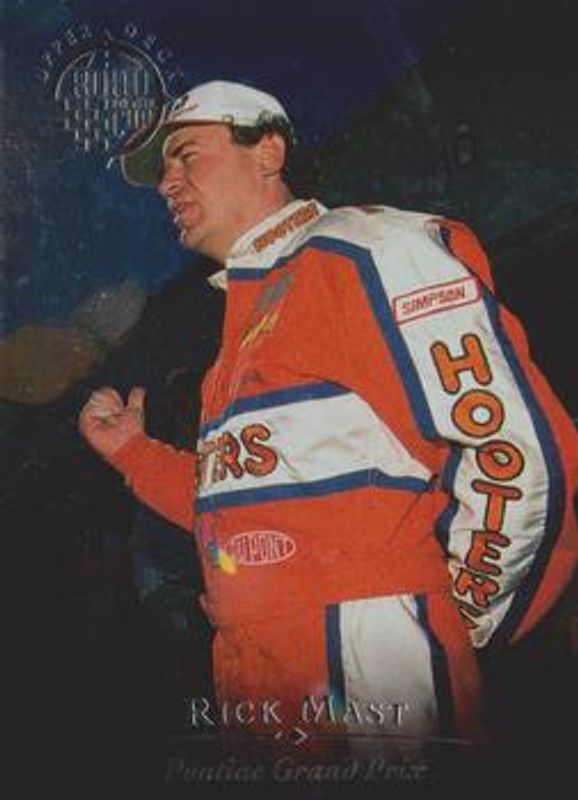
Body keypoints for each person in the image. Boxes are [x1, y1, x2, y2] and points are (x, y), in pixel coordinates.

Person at [79, 80, 578, 764]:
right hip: (252, 673)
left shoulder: (369, 249)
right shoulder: (236, 334)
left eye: (185, 155)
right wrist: (133, 454)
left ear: (268, 151)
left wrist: (454, 618)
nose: (166, 183)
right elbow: (242, 514)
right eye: (162, 170)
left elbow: (519, 451)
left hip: (369, 665)